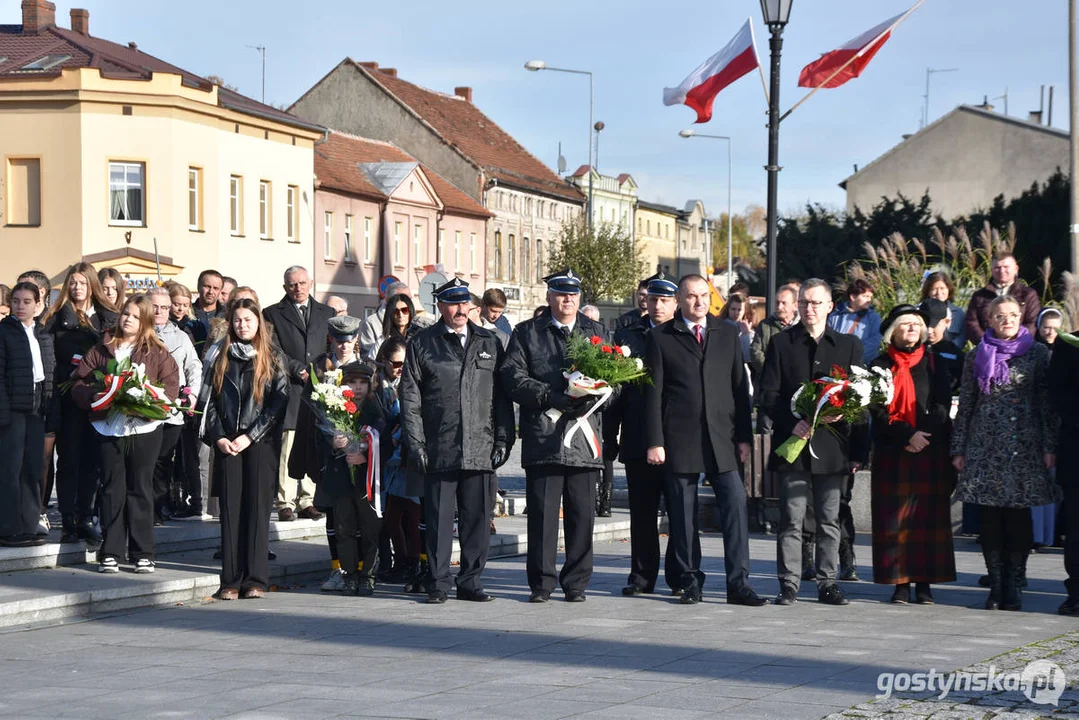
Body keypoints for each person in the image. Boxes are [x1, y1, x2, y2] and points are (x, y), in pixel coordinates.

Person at [645, 275, 766, 606]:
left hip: (722, 437)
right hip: (680, 437)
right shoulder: (661, 337)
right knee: (683, 514)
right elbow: (653, 395)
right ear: (680, 300)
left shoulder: (727, 333)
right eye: (691, 296)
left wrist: (744, 437)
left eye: (703, 296)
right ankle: (689, 580)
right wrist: (655, 441)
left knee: (735, 507)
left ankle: (738, 583)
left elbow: (741, 391)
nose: (699, 302)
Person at [400, 278, 514, 603]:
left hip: (481, 446)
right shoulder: (423, 343)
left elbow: (503, 398)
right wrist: (417, 443)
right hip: (440, 446)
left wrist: (504, 438)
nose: (460, 309)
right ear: (440, 306)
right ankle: (438, 583)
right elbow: (410, 398)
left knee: (477, 518)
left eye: (465, 303)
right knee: (437, 520)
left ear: (472, 307)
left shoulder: (489, 342)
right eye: (452, 303)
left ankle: (471, 582)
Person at [500, 269, 607, 603]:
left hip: (583, 439)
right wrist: (549, 395)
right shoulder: (527, 333)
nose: (568, 299)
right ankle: (541, 583)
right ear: (548, 297)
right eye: (561, 293)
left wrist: (599, 394)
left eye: (573, 294)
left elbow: (617, 382)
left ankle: (576, 583)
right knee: (543, 517)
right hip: (545, 438)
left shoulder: (598, 332)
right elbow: (512, 377)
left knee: (581, 516)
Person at [758, 278, 867, 607]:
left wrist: (859, 449)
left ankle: (828, 583)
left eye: (816, 303)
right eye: (804, 302)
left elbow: (859, 401)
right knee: (791, 517)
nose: (809, 309)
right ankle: (789, 583)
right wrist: (795, 422)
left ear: (830, 307)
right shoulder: (781, 343)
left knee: (829, 519)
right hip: (793, 443)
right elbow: (768, 396)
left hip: (833, 447)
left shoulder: (848, 346)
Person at [951, 295, 1058, 611]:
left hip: (1024, 447)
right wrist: (959, 448)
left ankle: (1016, 583)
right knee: (990, 518)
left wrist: (1050, 446)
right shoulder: (976, 356)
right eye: (1000, 316)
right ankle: (995, 585)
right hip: (986, 447)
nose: (1007, 320)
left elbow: (1046, 405)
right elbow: (967, 404)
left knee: (1019, 518)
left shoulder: (1037, 354)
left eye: (1013, 315)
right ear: (990, 320)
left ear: (1021, 317)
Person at [71, 295, 179, 573]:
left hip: (144, 428)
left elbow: (170, 387)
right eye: (125, 314)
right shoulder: (103, 348)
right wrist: (96, 395)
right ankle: (111, 551)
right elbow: (79, 381)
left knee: (140, 488)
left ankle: (143, 552)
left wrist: (145, 402)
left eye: (134, 315)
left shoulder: (157, 351)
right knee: (111, 488)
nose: (127, 319)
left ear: (144, 321)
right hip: (108, 426)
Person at [869, 305, 956, 605]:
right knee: (896, 521)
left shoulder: (934, 363)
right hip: (893, 452)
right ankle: (900, 583)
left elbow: (943, 403)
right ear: (893, 331)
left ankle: (925, 584)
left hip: (929, 450)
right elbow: (877, 409)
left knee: (926, 520)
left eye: (916, 325)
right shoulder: (879, 365)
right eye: (905, 324)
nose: (911, 329)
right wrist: (907, 435)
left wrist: (923, 436)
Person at [203, 298, 289, 599]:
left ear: (258, 324)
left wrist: (250, 436)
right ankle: (230, 580)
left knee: (256, 508)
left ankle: (255, 579)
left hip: (260, 442)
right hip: (227, 442)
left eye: (248, 320)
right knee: (230, 510)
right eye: (238, 320)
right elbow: (208, 402)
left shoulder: (273, 356)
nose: (243, 325)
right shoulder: (220, 356)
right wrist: (219, 437)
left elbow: (278, 402)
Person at [607, 273, 678, 596]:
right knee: (642, 512)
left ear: (675, 304)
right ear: (645, 302)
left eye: (665, 300)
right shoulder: (628, 336)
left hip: (678, 437)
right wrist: (609, 436)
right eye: (653, 299)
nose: (658, 306)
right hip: (637, 433)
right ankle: (642, 575)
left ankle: (680, 575)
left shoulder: (684, 335)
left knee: (679, 512)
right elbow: (616, 391)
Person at [43, 262, 118, 547]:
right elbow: (50, 358)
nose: (76, 287)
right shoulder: (55, 318)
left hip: (98, 398)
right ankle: (69, 520)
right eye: (72, 282)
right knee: (69, 459)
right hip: (67, 396)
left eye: (82, 283)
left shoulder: (107, 317)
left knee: (92, 461)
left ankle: (86, 516)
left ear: (92, 286)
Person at [288, 314, 364, 592]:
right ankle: (337, 569)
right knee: (332, 514)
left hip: (359, 453)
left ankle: (359, 570)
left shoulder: (365, 367)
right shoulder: (320, 367)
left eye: (349, 340)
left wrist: (360, 442)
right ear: (331, 338)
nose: (344, 345)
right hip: (327, 453)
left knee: (357, 516)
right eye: (339, 340)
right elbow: (308, 412)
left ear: (356, 339)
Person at [263, 266, 334, 522]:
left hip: (317, 389)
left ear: (311, 283)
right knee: (289, 444)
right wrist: (297, 369)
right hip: (290, 388)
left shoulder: (327, 313)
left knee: (311, 442)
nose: (298, 288)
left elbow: (331, 347)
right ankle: (286, 501)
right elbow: (273, 349)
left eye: (302, 283)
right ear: (285, 287)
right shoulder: (272, 314)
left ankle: (308, 499)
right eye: (292, 284)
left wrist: (317, 371)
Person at [316, 361, 386, 596]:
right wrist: (334, 444)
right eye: (351, 383)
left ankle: (367, 574)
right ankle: (349, 574)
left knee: (369, 528)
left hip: (366, 479)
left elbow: (384, 438)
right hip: (341, 479)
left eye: (362, 383)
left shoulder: (375, 408)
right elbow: (320, 439)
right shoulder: (333, 408)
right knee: (344, 527)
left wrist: (366, 455)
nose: (357, 388)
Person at [0, 282, 54, 547]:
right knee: (10, 469)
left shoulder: (42, 334)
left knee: (32, 467)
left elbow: (49, 374)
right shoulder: (4, 332)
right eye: (17, 301)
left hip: (36, 407)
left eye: (26, 302)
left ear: (37, 305)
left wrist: (49, 407)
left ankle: (29, 523)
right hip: (12, 409)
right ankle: (8, 528)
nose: (21, 307)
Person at [147, 288, 203, 522]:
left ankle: (160, 504)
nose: (159, 312)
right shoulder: (138, 332)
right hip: (143, 410)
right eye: (155, 306)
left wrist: (192, 395)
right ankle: (145, 506)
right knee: (146, 461)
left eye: (164, 307)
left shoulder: (180, 337)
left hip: (172, 411)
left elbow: (194, 366)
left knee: (163, 460)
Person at [374, 337, 420, 584]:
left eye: (405, 363)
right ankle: (401, 560)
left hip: (406, 458)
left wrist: (399, 436)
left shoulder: (410, 382)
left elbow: (412, 417)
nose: (401, 368)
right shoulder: (377, 384)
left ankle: (411, 562)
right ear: (384, 361)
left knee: (411, 516)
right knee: (392, 518)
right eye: (396, 363)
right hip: (391, 460)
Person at [1049, 324, 1079, 615]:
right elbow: (1058, 391)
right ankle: (1077, 592)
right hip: (1077, 448)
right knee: (1076, 529)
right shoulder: (1070, 343)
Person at [1032, 308, 1065, 552]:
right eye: (1046, 326)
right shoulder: (1033, 351)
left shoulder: (1066, 351)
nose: (1050, 331)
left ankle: (1054, 533)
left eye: (1055, 327)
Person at [964, 253, 1041, 343]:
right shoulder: (979, 296)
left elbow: (1032, 322)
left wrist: (1016, 344)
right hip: (987, 349)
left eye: (1006, 267)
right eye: (997, 267)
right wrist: (987, 343)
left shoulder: (1028, 295)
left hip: (1020, 348)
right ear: (991, 270)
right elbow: (971, 323)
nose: (1001, 271)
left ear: (1016, 269)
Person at [750, 283, 799, 380]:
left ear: (795, 305)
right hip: (768, 380)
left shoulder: (802, 327)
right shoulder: (765, 325)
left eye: (784, 303)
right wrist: (771, 371)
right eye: (777, 303)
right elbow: (755, 352)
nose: (779, 307)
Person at [827, 278, 882, 366]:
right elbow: (827, 340)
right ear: (853, 297)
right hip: (837, 367)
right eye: (865, 296)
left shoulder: (874, 317)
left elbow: (874, 342)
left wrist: (853, 358)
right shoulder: (835, 316)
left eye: (870, 297)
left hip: (865, 366)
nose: (869, 300)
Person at [359, 281, 409, 360]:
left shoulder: (415, 326)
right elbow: (368, 357)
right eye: (403, 298)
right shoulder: (371, 323)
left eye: (409, 299)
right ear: (389, 300)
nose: (407, 303)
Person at [921, 271, 966, 348]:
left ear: (949, 289)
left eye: (942, 288)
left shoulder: (958, 313)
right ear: (928, 291)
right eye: (934, 289)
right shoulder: (918, 310)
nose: (939, 293)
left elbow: (962, 337)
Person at [192, 270, 226, 358]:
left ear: (220, 291)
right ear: (198, 287)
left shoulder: (228, 316)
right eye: (207, 286)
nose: (211, 291)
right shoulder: (186, 314)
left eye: (215, 288)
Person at [718, 292, 754, 364]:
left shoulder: (748, 328)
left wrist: (746, 333)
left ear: (744, 311)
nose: (736, 313)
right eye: (733, 309)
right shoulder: (719, 325)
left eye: (739, 310)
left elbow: (748, 357)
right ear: (728, 309)